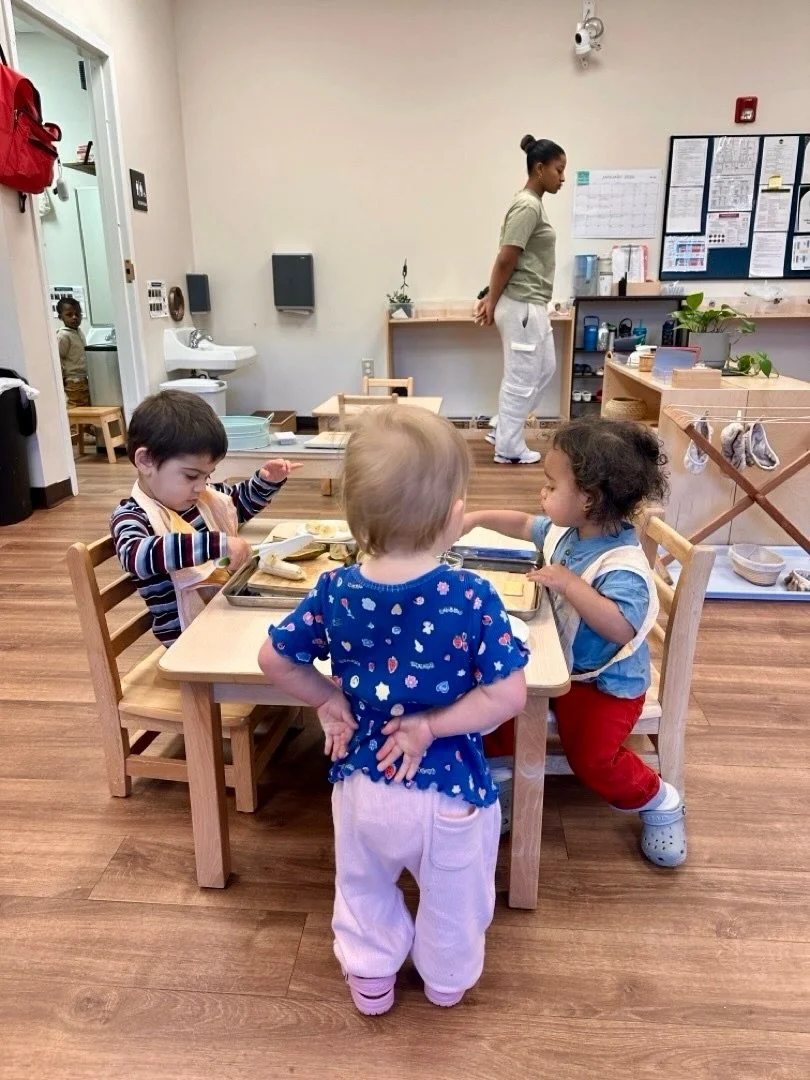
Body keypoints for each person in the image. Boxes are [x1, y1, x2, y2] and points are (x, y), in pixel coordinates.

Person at [258, 405, 528, 1015]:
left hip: (362, 786)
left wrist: (328, 699)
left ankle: (372, 981)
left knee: (362, 887)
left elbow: (274, 659)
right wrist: (430, 724)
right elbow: (508, 696)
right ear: (454, 517)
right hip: (448, 789)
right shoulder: (472, 595)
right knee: (455, 895)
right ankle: (445, 981)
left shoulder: (334, 588)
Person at [464, 418, 687, 869]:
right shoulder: (571, 531)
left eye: (550, 485)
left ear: (589, 499)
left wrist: (568, 583)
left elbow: (620, 627)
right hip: (559, 663)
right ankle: (506, 781)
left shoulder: (622, 564)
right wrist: (474, 518)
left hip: (605, 685)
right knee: (496, 709)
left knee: (593, 760)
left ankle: (659, 800)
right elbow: (526, 523)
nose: (541, 495)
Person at [111, 389, 299, 644]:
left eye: (207, 476)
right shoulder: (133, 516)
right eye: (191, 476)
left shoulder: (201, 499)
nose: (201, 487)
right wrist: (216, 545)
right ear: (145, 461)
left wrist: (266, 482)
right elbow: (136, 555)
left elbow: (237, 504)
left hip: (222, 616)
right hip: (190, 641)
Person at [476, 134, 566, 466]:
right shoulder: (528, 205)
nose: (563, 178)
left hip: (532, 304)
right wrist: (490, 299)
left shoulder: (534, 205)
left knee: (545, 368)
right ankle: (508, 448)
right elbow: (506, 258)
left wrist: (491, 297)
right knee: (521, 377)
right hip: (523, 305)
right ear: (539, 168)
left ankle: (503, 427)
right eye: (559, 170)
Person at [56, 296, 91, 409]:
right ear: (61, 317)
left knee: (85, 407)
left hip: (83, 379)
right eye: (69, 315)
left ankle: (85, 427)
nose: (75, 317)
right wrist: (61, 382)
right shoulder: (63, 336)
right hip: (73, 381)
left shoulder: (78, 332)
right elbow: (58, 359)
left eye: (78, 314)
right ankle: (75, 427)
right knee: (77, 407)